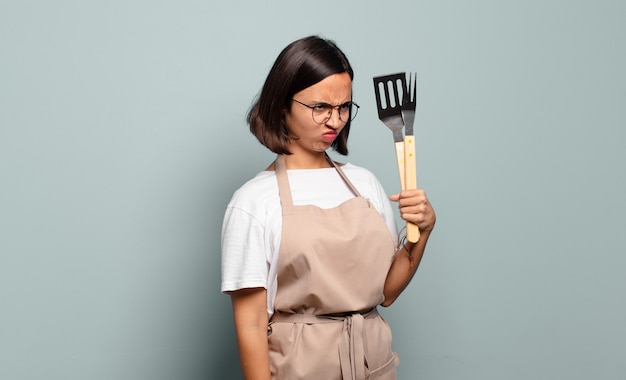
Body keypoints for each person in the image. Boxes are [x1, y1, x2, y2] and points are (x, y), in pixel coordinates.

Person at [221, 35, 436, 380]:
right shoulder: (253, 202)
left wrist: (421, 233)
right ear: (281, 106)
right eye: (320, 107)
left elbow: (387, 293)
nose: (335, 121)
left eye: (344, 107)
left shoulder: (365, 184)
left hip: (372, 365)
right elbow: (250, 323)